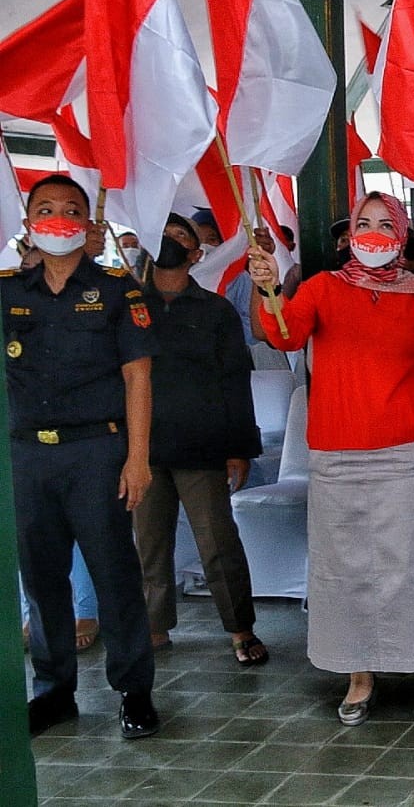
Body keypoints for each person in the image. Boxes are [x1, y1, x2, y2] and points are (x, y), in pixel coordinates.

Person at [246, 192, 414, 724]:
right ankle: (357, 673)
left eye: (383, 222)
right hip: (336, 457)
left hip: (406, 455)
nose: (371, 231)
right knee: (342, 568)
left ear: (402, 235)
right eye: (362, 222)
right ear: (348, 236)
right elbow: (283, 331)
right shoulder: (321, 288)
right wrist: (268, 286)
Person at [5, 174, 161, 739]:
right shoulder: (8, 293)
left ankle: (134, 691)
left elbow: (137, 376)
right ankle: (53, 691)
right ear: (27, 224)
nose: (58, 219)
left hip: (97, 452)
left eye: (71, 209)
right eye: (44, 210)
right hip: (27, 455)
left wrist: (137, 457)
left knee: (114, 574)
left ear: (88, 224)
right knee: (41, 578)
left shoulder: (118, 290)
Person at [134, 214, 267, 665]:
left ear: (196, 254)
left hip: (202, 446)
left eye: (181, 236)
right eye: (164, 234)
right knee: (149, 545)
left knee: (218, 543)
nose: (171, 241)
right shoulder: (127, 307)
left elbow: (235, 381)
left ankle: (241, 629)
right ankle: (152, 627)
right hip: (142, 450)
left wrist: (239, 447)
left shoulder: (215, 311)